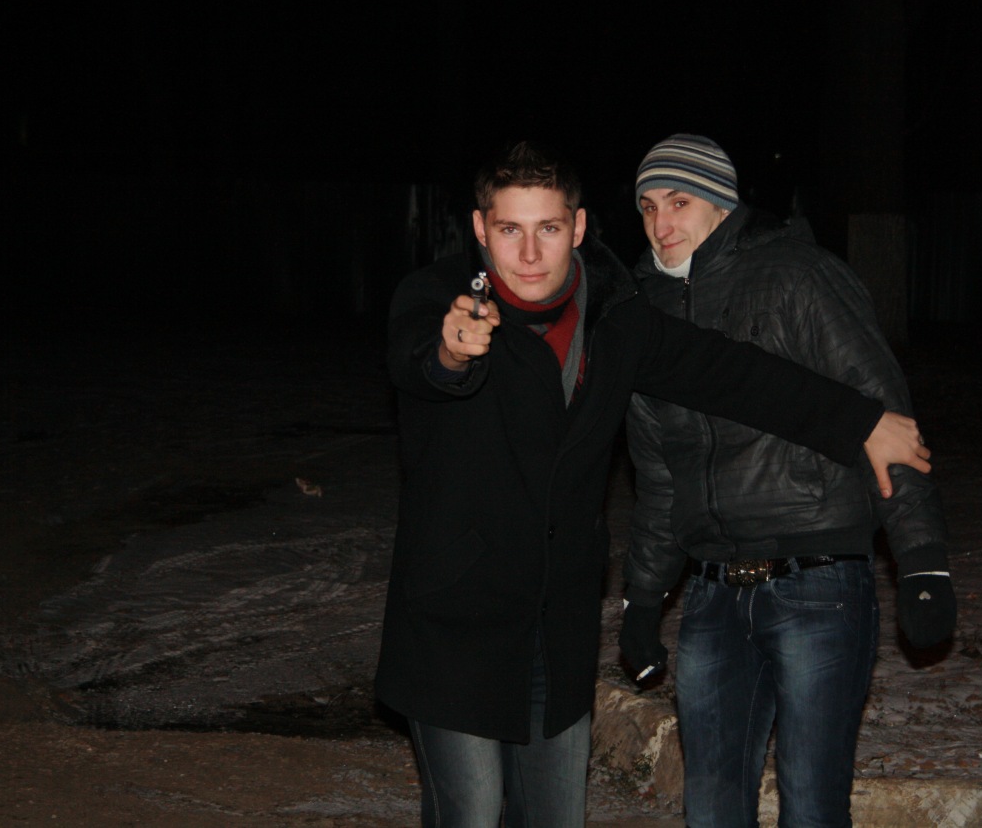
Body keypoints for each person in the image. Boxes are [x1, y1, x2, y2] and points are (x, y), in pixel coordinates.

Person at [377, 140, 931, 828]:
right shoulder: (439, 298)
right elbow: (421, 361)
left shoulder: (617, 317)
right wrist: (451, 352)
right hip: (455, 625)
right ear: (480, 228)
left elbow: (731, 373)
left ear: (578, 227)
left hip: (555, 622)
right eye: (510, 229)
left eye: (548, 228)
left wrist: (860, 422)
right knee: (473, 809)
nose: (530, 253)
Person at [617, 133, 957, 827]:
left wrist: (923, 561)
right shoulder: (643, 313)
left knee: (811, 804)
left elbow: (886, 418)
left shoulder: (796, 276)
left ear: (720, 202)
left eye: (679, 202)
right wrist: (644, 600)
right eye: (648, 207)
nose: (661, 224)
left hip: (817, 580)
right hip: (712, 594)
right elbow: (657, 477)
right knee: (711, 809)